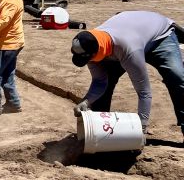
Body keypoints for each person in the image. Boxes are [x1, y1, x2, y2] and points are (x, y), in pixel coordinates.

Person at [71, 11, 184, 139]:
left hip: (160, 37)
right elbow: (99, 82)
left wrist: (142, 128)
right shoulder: (92, 45)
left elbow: (144, 93)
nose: (88, 62)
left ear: (96, 52)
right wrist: (86, 101)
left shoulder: (128, 49)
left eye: (88, 59)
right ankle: (100, 131)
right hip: (129, 37)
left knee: (177, 78)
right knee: (107, 81)